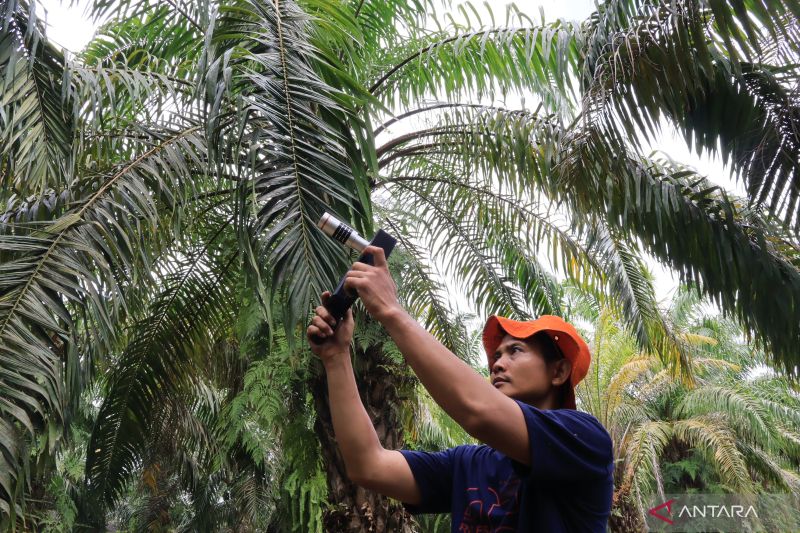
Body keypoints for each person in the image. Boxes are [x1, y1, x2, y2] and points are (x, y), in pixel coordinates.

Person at [307, 246, 613, 532]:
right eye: (496, 356)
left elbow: (477, 411)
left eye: (515, 351)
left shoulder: (584, 441)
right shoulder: (467, 465)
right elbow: (368, 466)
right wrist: (336, 358)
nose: (497, 364)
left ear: (558, 371)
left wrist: (391, 310)